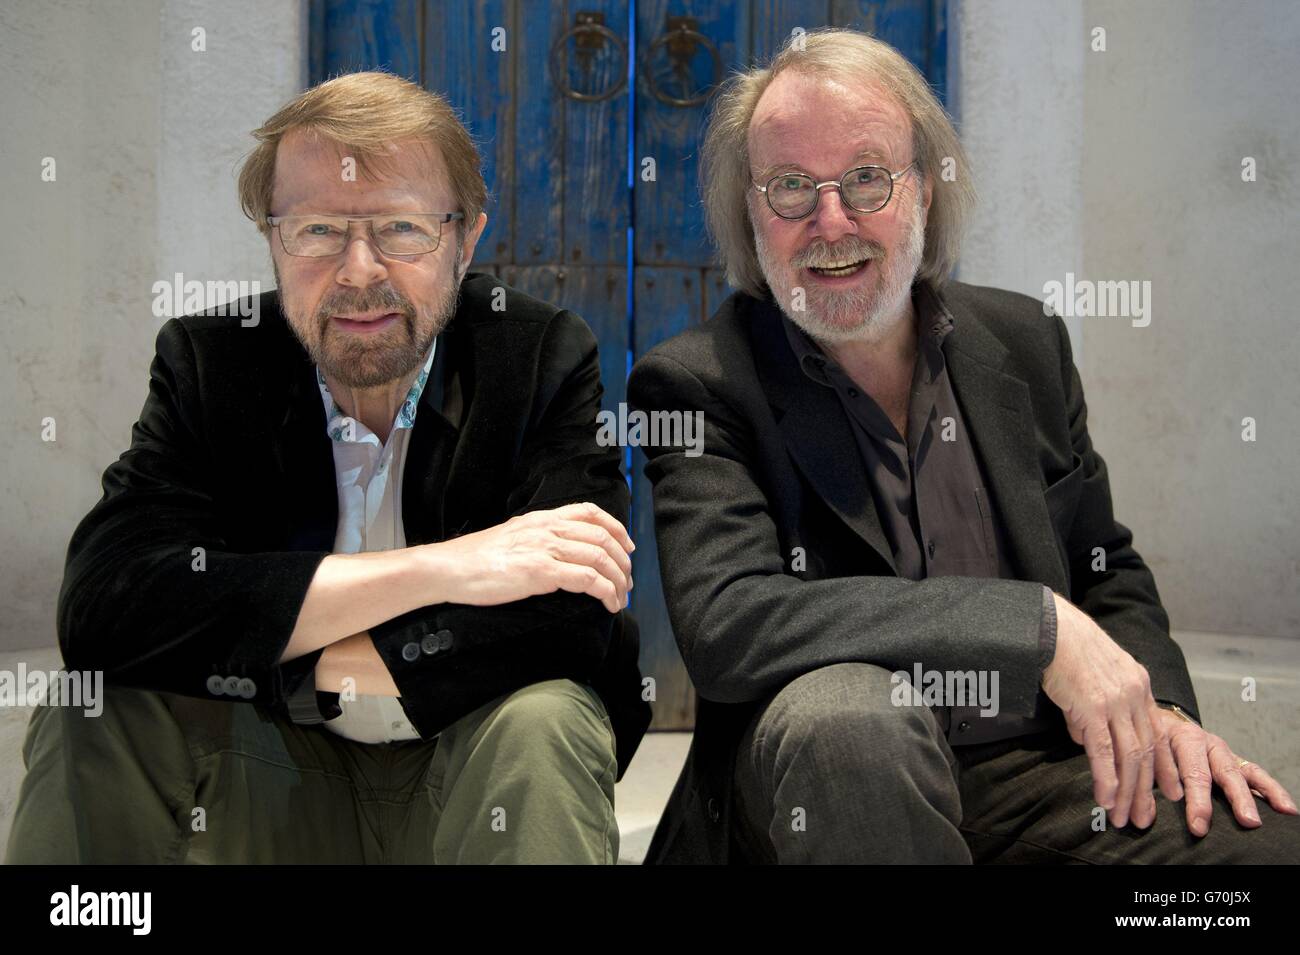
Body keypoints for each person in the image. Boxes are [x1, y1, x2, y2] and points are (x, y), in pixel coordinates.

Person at [627, 28, 1298, 864]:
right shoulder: (698, 382)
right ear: (750, 211)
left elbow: (1105, 567)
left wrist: (1163, 710)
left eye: (867, 178)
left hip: (1039, 775)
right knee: (849, 722)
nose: (830, 221)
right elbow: (732, 624)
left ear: (927, 189)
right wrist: (1031, 625)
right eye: (791, 186)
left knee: (1256, 855)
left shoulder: (1022, 341)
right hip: (823, 793)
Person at [5, 71, 649, 865]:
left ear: (466, 239)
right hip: (272, 788)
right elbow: (109, 607)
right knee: (92, 707)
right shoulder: (213, 361)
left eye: (403, 229)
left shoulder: (537, 354)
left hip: (463, 789)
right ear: (272, 238)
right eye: (314, 230)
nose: (356, 270)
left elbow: (577, 620)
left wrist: (286, 652)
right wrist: (452, 567)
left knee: (544, 719)